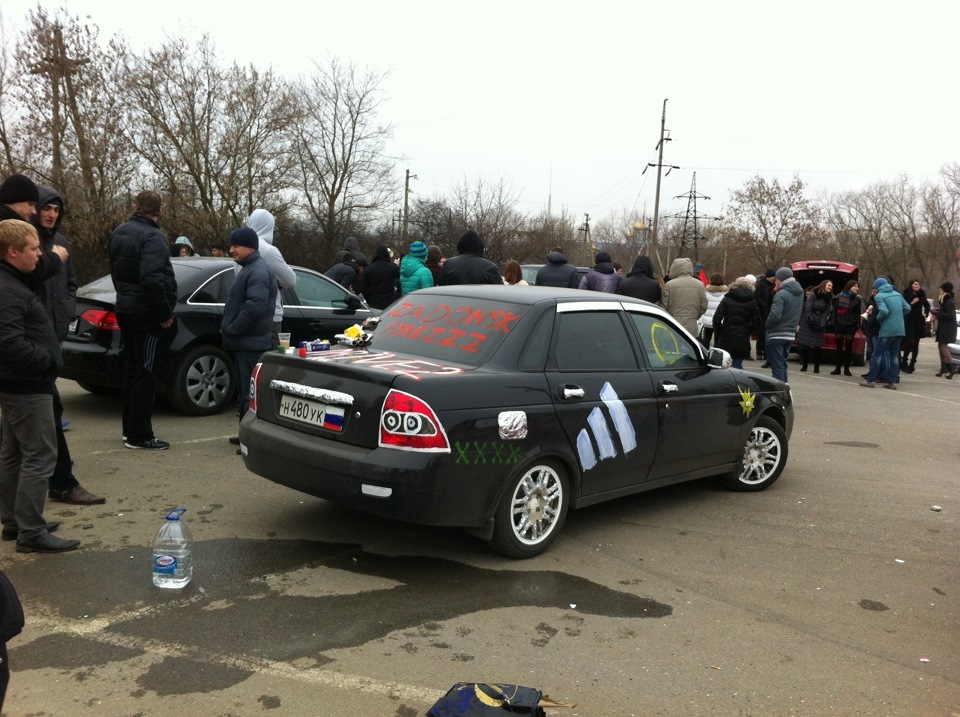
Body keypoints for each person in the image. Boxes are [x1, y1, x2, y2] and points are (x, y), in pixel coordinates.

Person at [0, 219, 81, 553]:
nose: (39, 255)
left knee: (14, 452)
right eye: (34, 249)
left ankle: (15, 521)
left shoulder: (13, 280)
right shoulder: (8, 289)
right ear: (13, 252)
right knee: (40, 455)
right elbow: (8, 343)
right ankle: (31, 531)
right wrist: (47, 361)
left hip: (18, 384)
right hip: (27, 385)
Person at [34, 186, 105, 504]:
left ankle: (57, 482)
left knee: (44, 412)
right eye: (46, 208)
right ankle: (62, 481)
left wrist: (62, 317)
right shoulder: (24, 243)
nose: (51, 214)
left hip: (52, 337)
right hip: (29, 342)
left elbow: (71, 283)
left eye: (56, 209)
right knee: (46, 411)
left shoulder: (62, 243)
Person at [108, 190, 178, 450]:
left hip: (125, 307)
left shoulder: (119, 232)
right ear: (159, 211)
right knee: (146, 372)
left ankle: (130, 431)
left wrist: (125, 296)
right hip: (147, 314)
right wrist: (164, 313)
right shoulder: (153, 236)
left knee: (133, 369)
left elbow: (116, 272)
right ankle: (140, 435)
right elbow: (151, 278)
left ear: (136, 206)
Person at [221, 227, 277, 430]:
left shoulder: (258, 271)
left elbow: (255, 309)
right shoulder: (250, 268)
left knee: (250, 392)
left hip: (250, 343)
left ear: (250, 247)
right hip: (245, 341)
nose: (231, 250)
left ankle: (250, 436)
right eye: (231, 245)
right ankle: (245, 433)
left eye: (236, 245)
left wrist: (233, 329)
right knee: (245, 390)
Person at [245, 208, 296, 347]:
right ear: (270, 227)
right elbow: (291, 280)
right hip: (270, 315)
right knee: (270, 362)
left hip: (247, 313)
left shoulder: (242, 247)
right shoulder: (268, 250)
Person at [860, 277, 911, 389]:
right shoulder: (897, 294)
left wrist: (879, 319)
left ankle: (871, 380)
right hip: (899, 329)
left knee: (877, 354)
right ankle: (892, 382)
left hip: (887, 329)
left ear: (877, 287)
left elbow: (884, 311)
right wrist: (899, 317)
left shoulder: (879, 296)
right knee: (894, 356)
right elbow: (907, 308)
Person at [764, 267, 804, 383]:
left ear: (781, 279)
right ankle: (784, 387)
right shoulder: (799, 293)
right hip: (790, 334)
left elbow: (775, 315)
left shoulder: (781, 294)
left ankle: (779, 391)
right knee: (783, 364)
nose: (775, 281)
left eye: (776, 279)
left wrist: (767, 325)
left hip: (777, 333)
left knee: (777, 367)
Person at [713, 276, 762, 369]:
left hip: (726, 334)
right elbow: (757, 321)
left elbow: (716, 318)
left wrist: (720, 331)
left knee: (723, 365)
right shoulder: (752, 301)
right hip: (742, 336)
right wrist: (749, 330)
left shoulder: (727, 298)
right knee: (737, 364)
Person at [661, 256, 708, 337]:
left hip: (672, 326)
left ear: (674, 268)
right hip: (692, 327)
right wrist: (694, 316)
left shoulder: (669, 285)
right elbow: (703, 306)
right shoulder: (700, 285)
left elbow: (663, 307)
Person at [796, 279, 833, 372]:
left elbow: (826, 311)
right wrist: (811, 320)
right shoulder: (813, 294)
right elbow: (808, 308)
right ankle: (804, 365)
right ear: (824, 285)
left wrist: (822, 323)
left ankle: (816, 367)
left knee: (818, 347)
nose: (830, 287)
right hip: (808, 321)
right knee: (805, 346)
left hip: (820, 320)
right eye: (829, 285)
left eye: (831, 286)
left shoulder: (829, 298)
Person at [829, 279, 862, 376]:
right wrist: (833, 323)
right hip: (839, 323)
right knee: (838, 348)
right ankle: (837, 368)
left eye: (857, 286)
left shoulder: (857, 299)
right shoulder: (839, 296)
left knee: (848, 348)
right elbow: (834, 311)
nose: (856, 288)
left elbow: (858, 313)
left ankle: (846, 369)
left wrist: (857, 325)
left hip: (850, 324)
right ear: (849, 286)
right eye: (854, 286)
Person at [900, 279, 930, 373]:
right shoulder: (906, 293)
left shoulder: (921, 294)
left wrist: (925, 313)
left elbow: (927, 305)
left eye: (918, 284)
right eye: (915, 284)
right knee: (909, 341)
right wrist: (912, 302)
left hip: (918, 320)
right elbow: (903, 306)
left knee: (916, 343)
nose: (917, 285)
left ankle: (912, 364)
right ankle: (904, 361)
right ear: (911, 285)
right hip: (909, 320)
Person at [360, 244, 400, 308]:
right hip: (389, 302)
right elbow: (400, 282)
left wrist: (369, 299)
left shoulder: (369, 269)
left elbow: (363, 287)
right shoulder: (393, 268)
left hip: (374, 302)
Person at [934, 282, 957, 378]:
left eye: (941, 288)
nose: (940, 290)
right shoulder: (944, 300)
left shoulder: (948, 301)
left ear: (944, 290)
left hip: (947, 328)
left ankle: (952, 368)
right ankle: (943, 367)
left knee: (944, 347)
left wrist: (937, 313)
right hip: (943, 327)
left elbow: (949, 315)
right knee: (940, 347)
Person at [699, 273, 728, 348]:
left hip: (707, 320)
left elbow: (702, 305)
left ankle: (704, 356)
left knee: (706, 339)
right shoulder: (726, 293)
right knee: (718, 341)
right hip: (720, 321)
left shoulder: (705, 293)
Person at [755, 269, 776, 365]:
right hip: (762, 311)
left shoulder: (774, 286)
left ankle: (766, 353)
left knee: (768, 333)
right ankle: (759, 352)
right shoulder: (760, 285)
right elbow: (757, 297)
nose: (774, 279)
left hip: (770, 311)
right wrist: (764, 305)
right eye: (773, 277)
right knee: (761, 333)